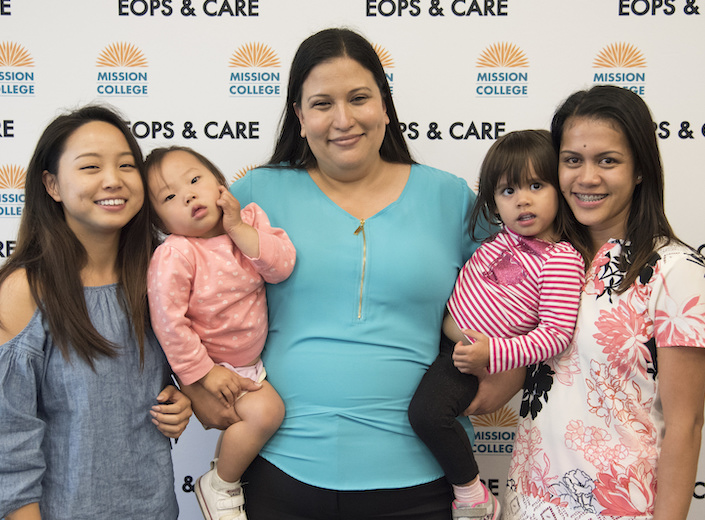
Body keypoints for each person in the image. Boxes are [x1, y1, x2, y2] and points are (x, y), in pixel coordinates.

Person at [182, 27, 483, 519]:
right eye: (321, 104)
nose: (343, 120)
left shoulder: (451, 198)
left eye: (359, 98)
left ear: (385, 105)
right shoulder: (254, 195)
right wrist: (194, 383)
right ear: (299, 118)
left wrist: (506, 373)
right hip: (279, 474)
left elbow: (532, 283)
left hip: (425, 481)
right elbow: (178, 287)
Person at [469, 86, 705, 520]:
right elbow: (509, 376)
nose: (587, 177)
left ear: (639, 171)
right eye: (573, 160)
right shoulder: (544, 261)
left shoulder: (676, 271)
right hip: (530, 501)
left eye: (608, 160)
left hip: (620, 510)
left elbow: (685, 426)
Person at [0, 105, 192, 520]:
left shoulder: (162, 273)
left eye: (127, 165)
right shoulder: (25, 290)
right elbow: (9, 442)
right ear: (51, 184)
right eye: (90, 166)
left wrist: (182, 397)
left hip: (157, 508)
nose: (113, 180)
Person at [408, 130, 586, 520]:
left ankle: (473, 495)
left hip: (468, 359)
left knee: (426, 415)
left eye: (536, 186)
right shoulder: (500, 238)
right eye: (507, 191)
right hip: (442, 343)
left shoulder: (560, 259)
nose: (521, 199)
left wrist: (492, 354)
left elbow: (555, 335)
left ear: (560, 189)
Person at [145, 146, 295, 520]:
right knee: (267, 413)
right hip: (218, 369)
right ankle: (220, 485)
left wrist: (239, 229)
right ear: (161, 222)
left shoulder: (249, 219)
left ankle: (220, 479)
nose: (189, 195)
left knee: (263, 417)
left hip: (251, 363)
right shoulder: (176, 253)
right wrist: (204, 373)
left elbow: (281, 267)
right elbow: (168, 322)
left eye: (195, 180)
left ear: (221, 184)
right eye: (169, 197)